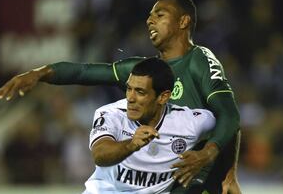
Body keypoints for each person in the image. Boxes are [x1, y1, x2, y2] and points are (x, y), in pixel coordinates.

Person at [0, 0, 241, 194]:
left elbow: (229, 116)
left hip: (193, 176)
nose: (149, 21)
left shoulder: (199, 60)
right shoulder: (141, 73)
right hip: (152, 179)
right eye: (149, 15)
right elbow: (83, 72)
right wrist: (40, 73)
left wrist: (226, 170)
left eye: (159, 15)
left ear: (183, 21)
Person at [84, 58, 216, 194]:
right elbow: (99, 154)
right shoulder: (112, 113)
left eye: (140, 92)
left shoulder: (189, 122)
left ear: (163, 97)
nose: (130, 98)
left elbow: (228, 123)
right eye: (129, 89)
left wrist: (207, 156)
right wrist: (131, 145)